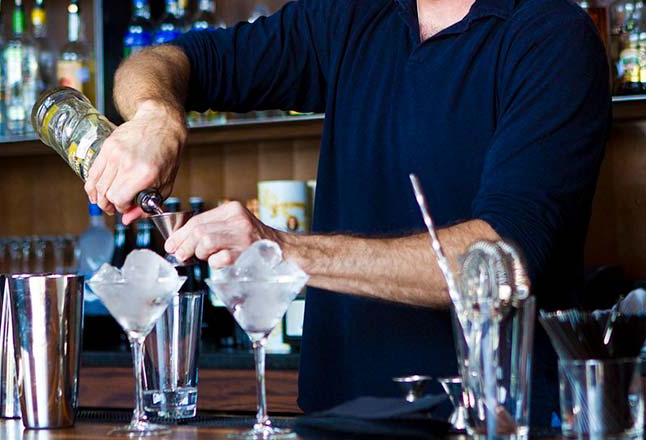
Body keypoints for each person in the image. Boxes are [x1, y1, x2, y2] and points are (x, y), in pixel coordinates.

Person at [84, 0, 611, 427]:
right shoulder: (353, 17)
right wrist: (157, 115)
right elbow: (161, 61)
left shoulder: (550, 36)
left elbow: (500, 260)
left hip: (490, 423)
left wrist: (278, 249)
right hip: (338, 421)